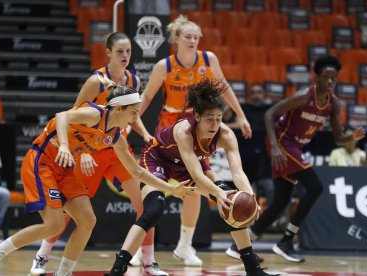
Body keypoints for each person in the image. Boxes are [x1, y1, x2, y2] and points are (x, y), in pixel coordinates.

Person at [0, 83, 191, 276]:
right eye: (133, 113)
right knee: (54, 225)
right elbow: (62, 116)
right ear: (118, 109)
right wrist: (63, 145)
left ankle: (64, 273)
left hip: (65, 170)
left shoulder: (116, 137)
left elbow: (138, 172)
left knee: (87, 220)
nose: (135, 119)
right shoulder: (95, 114)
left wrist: (172, 189)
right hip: (42, 162)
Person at [106, 78, 278, 276]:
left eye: (219, 118)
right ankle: (118, 269)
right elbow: (196, 174)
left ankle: (252, 268)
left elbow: (238, 173)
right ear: (197, 116)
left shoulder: (226, 135)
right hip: (158, 159)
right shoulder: (184, 131)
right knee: (153, 210)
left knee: (231, 202)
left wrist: (249, 196)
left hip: (188, 164)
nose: (215, 124)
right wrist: (217, 192)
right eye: (209, 119)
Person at [29, 32, 167, 276]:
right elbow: (74, 116)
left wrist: (145, 134)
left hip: (116, 148)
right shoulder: (96, 81)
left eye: (128, 52)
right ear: (108, 53)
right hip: (90, 152)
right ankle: (42, 256)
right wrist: (81, 152)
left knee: (144, 205)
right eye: (120, 52)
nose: (125, 56)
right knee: (70, 210)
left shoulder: (133, 80)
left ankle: (149, 262)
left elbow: (132, 115)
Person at [137, 14, 252, 266]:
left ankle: (185, 246)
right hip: (169, 132)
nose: (192, 40)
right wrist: (130, 122)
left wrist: (242, 116)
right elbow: (145, 98)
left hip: (198, 131)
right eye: (187, 36)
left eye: (196, 37)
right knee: (155, 189)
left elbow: (224, 87)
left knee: (195, 191)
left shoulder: (208, 60)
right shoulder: (163, 66)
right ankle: (140, 247)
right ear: (176, 39)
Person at [248, 56, 366, 263]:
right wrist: (275, 146)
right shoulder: (304, 96)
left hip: (293, 147)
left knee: (281, 200)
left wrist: (352, 137)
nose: (330, 82)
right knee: (316, 187)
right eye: (326, 77)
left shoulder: (334, 104)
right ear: (317, 78)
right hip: (282, 143)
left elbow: (339, 138)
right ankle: (286, 241)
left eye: (334, 78)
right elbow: (270, 113)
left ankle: (242, 245)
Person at [225, 83, 275, 260]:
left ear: (264, 93)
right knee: (240, 200)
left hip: (264, 162)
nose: (256, 95)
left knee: (272, 193)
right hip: (244, 161)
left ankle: (270, 224)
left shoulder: (269, 111)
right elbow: (227, 122)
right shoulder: (243, 110)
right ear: (248, 95)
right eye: (253, 92)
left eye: (259, 91)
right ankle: (240, 238)